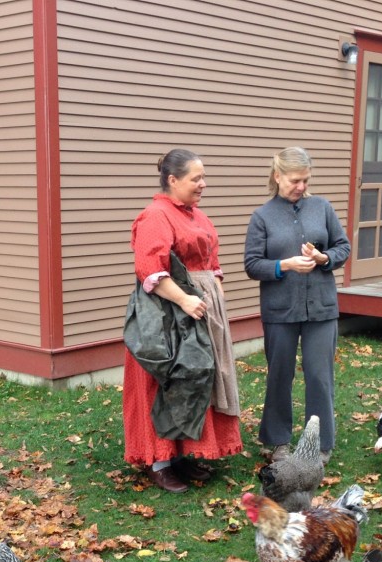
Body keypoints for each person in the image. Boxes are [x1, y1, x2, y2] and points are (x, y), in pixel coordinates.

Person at [123, 148, 242, 493]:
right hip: (165, 311)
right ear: (173, 180)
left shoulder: (197, 216)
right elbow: (150, 269)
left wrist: (213, 295)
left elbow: (211, 261)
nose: (203, 184)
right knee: (169, 377)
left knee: (197, 376)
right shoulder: (155, 215)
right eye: (196, 179)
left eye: (204, 177)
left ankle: (182, 454)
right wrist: (186, 299)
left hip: (199, 308)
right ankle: (159, 461)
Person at [243, 147, 351, 464]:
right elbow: (251, 264)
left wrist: (324, 258)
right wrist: (284, 265)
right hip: (280, 311)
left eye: (305, 180)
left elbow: (342, 246)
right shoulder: (262, 217)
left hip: (321, 309)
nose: (301, 187)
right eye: (295, 180)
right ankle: (278, 442)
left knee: (319, 376)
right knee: (280, 375)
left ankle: (319, 444)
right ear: (278, 177)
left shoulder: (322, 208)